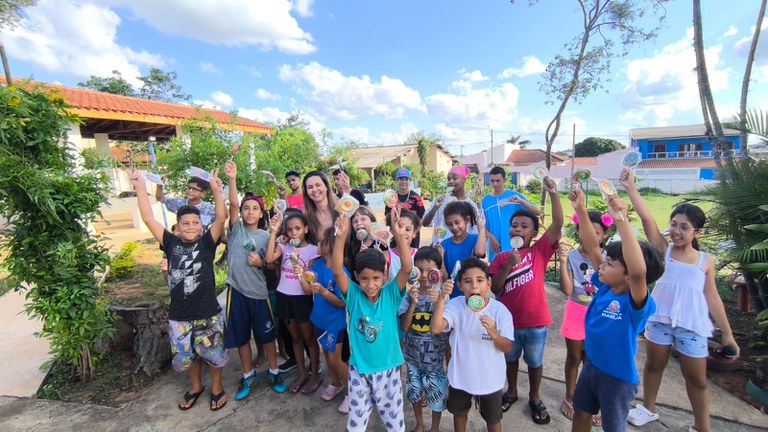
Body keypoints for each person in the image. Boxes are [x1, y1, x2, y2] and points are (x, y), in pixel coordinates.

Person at [621, 169, 739, 432]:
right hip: (660, 320)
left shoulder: (705, 261)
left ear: (696, 232)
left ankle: (702, 425)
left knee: (696, 379)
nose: (676, 231)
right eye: (674, 224)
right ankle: (648, 408)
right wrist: (631, 188)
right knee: (653, 365)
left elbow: (713, 297)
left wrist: (728, 335)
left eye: (684, 227)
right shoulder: (663, 250)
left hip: (691, 326)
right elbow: (647, 218)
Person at [130, 168, 229, 411]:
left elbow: (220, 217)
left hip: (208, 312)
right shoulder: (171, 243)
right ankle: (196, 386)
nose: (191, 226)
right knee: (187, 356)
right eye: (186, 223)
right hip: (180, 316)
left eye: (196, 222)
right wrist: (141, 188)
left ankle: (216, 387)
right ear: (178, 226)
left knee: (214, 353)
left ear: (201, 225)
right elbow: (148, 218)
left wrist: (216, 190)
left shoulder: (207, 243)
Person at [567, 186, 664, 432]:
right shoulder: (604, 287)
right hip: (592, 369)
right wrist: (580, 209)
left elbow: (639, 271)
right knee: (581, 413)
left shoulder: (635, 304)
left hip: (617, 380)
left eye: (610, 263)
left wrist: (621, 222)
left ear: (629, 277)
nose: (602, 264)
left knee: (613, 427)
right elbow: (591, 247)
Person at [488, 176, 563, 424]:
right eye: (515, 225)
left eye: (524, 226)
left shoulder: (539, 251)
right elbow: (495, 288)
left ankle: (534, 396)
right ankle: (511, 391)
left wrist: (553, 193)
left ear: (534, 232)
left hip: (535, 322)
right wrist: (508, 264)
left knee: (534, 362)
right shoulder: (501, 258)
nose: (518, 229)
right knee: (510, 359)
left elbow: (558, 223)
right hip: (508, 322)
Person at [331, 211, 412, 432]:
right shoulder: (354, 296)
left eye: (376, 278)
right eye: (365, 278)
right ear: (356, 276)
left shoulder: (391, 295)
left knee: (395, 425)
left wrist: (399, 235)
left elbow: (406, 268)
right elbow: (337, 269)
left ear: (385, 276)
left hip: (389, 372)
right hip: (359, 372)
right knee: (355, 425)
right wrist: (341, 237)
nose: (370, 284)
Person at [222, 161, 287, 399]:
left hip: (259, 293)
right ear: (241, 213)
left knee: (267, 336)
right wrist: (232, 179)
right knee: (241, 338)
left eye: (254, 209)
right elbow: (232, 206)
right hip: (237, 292)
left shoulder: (265, 236)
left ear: (262, 214)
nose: (249, 212)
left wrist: (261, 263)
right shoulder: (235, 230)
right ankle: (248, 374)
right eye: (245, 208)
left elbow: (272, 263)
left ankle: (273, 370)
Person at [430, 257, 514, 432]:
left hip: (490, 379)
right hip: (460, 377)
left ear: (489, 283)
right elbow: (436, 328)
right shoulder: (456, 305)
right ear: (460, 286)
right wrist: (441, 298)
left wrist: (493, 333)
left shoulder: (500, 311)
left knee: (493, 419)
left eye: (480, 280)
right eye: (468, 281)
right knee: (459, 413)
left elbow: (507, 347)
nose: (474, 286)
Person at [558, 210, 613, 427]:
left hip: (598, 315)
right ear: (577, 230)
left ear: (605, 235)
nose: (589, 236)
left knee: (592, 361)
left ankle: (590, 403)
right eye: (584, 230)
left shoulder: (609, 258)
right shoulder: (572, 256)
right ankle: (570, 397)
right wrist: (562, 263)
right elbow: (567, 289)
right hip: (575, 311)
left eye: (596, 232)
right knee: (573, 357)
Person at [265, 211, 322, 394]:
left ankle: (315, 375)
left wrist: (301, 267)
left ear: (306, 229)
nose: (293, 233)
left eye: (297, 228)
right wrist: (274, 233)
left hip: (302, 299)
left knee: (308, 338)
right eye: (289, 230)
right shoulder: (285, 246)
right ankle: (302, 373)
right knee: (295, 338)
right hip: (284, 296)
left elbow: (311, 278)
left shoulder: (313, 250)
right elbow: (268, 259)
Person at [295, 226, 351, 413]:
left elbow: (342, 303)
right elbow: (307, 289)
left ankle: (351, 393)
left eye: (320, 242)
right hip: (318, 320)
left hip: (334, 324)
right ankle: (336, 383)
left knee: (336, 360)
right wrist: (299, 273)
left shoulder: (341, 272)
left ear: (331, 245)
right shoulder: (317, 265)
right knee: (327, 355)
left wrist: (324, 292)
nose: (317, 244)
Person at [399, 247, 450, 432]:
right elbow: (404, 327)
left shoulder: (443, 296)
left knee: (437, 397)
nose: (423, 275)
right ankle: (420, 424)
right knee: (414, 394)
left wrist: (439, 302)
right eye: (419, 269)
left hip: (435, 361)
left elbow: (446, 326)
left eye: (430, 271)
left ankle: (434, 428)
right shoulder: (409, 294)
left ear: (438, 272)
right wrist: (412, 302)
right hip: (412, 358)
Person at [481, 166, 540, 261]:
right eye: (492, 181)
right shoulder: (486, 201)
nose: (495, 184)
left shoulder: (514, 197)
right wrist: (491, 237)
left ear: (505, 180)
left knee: (514, 270)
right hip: (495, 248)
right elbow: (481, 224)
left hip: (514, 244)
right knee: (496, 273)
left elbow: (537, 212)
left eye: (498, 180)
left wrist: (522, 202)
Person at [439, 201, 487, 298]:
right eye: (450, 224)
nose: (454, 227)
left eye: (457, 222)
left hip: (473, 295)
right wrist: (440, 257)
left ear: (467, 220)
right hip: (453, 296)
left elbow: (480, 252)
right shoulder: (444, 245)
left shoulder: (475, 239)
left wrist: (481, 228)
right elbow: (444, 278)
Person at [422, 165, 480, 244]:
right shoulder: (440, 200)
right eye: (449, 179)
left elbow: (475, 231)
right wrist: (435, 207)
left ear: (464, 180)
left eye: (455, 178)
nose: (451, 181)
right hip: (439, 249)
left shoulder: (471, 205)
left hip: (462, 251)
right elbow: (425, 223)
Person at [385, 167, 425, 247]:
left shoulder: (416, 198)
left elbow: (421, 218)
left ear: (410, 181)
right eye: (401, 179)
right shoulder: (391, 198)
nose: (404, 182)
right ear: (396, 180)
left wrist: (414, 232)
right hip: (396, 234)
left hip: (412, 237)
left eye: (406, 179)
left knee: (411, 258)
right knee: (395, 257)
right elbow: (388, 216)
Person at [303, 170, 338, 242]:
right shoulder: (307, 217)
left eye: (318, 185)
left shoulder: (341, 208)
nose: (315, 189)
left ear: (327, 187)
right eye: (310, 187)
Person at [386, 210, 421, 283]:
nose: (402, 232)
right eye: (399, 227)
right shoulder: (385, 257)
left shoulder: (420, 254)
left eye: (407, 229)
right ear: (392, 230)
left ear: (414, 232)